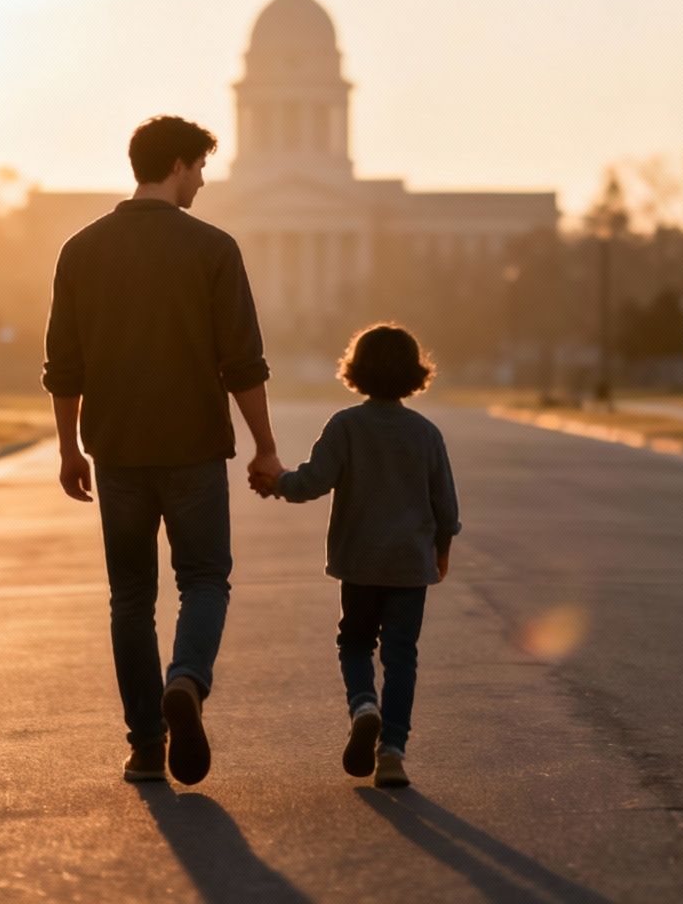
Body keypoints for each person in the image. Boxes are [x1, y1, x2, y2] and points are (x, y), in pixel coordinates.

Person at [42, 115, 282, 787]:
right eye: (200, 167)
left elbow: (63, 366)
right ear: (178, 164)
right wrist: (265, 446)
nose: (203, 179)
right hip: (195, 449)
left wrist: (69, 449)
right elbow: (243, 362)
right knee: (204, 581)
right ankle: (186, 681)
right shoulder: (214, 249)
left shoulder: (81, 250)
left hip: (117, 451)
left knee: (130, 599)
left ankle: (147, 744)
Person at [258, 323, 459, 788]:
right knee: (402, 656)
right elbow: (445, 506)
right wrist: (442, 549)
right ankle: (392, 753)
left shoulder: (345, 426)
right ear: (415, 374)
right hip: (410, 564)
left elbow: (311, 482)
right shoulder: (426, 434)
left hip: (359, 561)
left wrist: (276, 481)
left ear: (356, 371)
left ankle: (363, 704)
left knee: (354, 643)